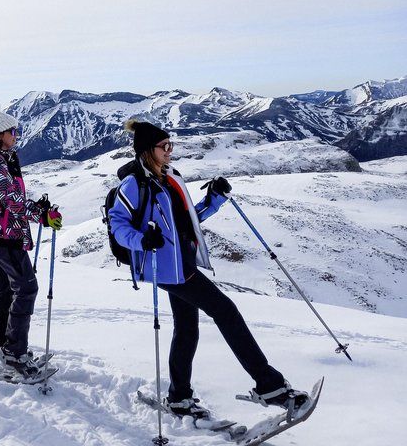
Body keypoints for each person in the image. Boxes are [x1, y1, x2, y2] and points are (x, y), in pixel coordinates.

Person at [109, 119, 309, 416]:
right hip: (166, 268)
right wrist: (141, 239)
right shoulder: (135, 184)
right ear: (148, 150)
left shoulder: (168, 179)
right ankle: (270, 386)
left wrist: (213, 199)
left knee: (187, 328)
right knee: (225, 311)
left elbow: (187, 223)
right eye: (164, 146)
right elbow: (117, 224)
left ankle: (179, 397)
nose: (170, 151)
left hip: (181, 263)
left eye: (170, 145)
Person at [0, 101, 62, 376]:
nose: (17, 135)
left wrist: (38, 211)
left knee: (6, 291)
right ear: (0, 133)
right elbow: (11, 201)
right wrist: (41, 215)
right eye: (14, 130)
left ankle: (5, 345)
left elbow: (11, 200)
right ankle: (13, 352)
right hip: (3, 234)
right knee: (26, 288)